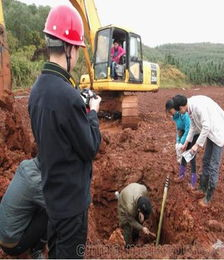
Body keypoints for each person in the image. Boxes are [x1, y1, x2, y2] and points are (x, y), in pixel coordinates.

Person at [28, 5, 102, 259]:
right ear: (70, 49)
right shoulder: (67, 96)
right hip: (72, 205)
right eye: (78, 49)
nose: (79, 55)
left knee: (57, 252)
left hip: (52, 197)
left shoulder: (37, 89)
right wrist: (92, 112)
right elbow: (90, 146)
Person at [173, 95, 224, 207]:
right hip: (210, 132)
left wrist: (197, 145)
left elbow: (206, 127)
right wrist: (187, 143)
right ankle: (202, 188)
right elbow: (193, 126)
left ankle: (208, 196)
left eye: (179, 111)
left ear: (181, 107)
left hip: (217, 131)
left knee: (213, 165)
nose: (180, 114)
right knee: (205, 160)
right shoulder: (189, 107)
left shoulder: (197, 107)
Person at [0, 158, 47, 259]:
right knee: (50, 212)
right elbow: (57, 207)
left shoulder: (25, 165)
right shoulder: (36, 182)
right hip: (12, 246)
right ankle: (36, 250)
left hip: (3, 235)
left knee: (37, 203)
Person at [165, 99, 199, 189]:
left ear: (174, 108)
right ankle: (181, 175)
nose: (169, 113)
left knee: (191, 157)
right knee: (183, 155)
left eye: (170, 111)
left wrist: (183, 142)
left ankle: (193, 181)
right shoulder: (175, 117)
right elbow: (179, 130)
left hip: (193, 134)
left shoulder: (184, 114)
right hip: (185, 135)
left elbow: (189, 128)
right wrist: (178, 142)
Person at [117, 183, 153, 247]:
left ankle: (135, 237)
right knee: (126, 225)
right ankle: (128, 245)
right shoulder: (129, 208)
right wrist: (142, 228)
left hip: (133, 191)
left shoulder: (144, 190)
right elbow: (130, 220)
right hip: (123, 200)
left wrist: (142, 218)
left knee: (139, 219)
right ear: (139, 210)